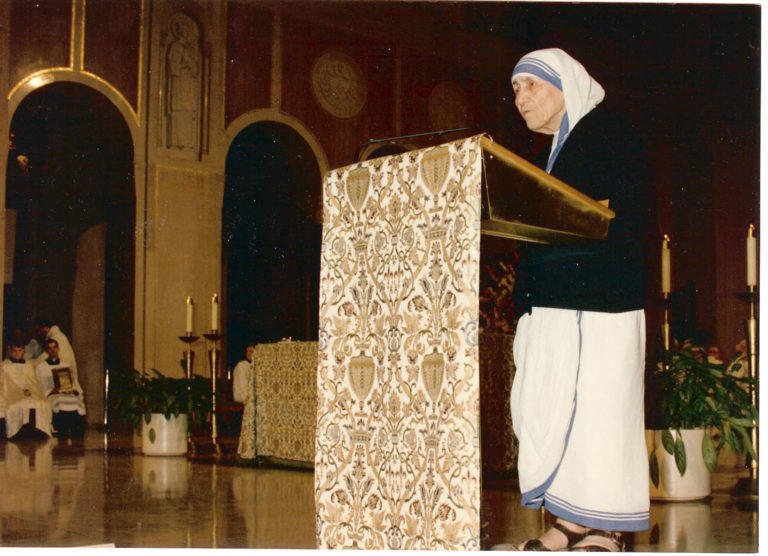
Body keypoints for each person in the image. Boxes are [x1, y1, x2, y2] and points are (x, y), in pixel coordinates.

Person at [507, 48, 650, 551]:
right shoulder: (550, 152)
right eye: (516, 89)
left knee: (600, 410)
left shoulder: (607, 130)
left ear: (566, 84)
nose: (520, 98)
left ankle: (608, 526)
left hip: (602, 299)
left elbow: (617, 210)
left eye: (531, 85)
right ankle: (570, 522)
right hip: (555, 301)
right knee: (554, 406)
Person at [1, 339, 52, 440]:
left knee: (41, 403)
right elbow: (7, 383)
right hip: (13, 393)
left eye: (19, 351)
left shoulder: (29, 365)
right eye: (14, 351)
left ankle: (38, 432)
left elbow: (33, 381)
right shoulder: (5, 366)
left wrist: (30, 390)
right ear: (10, 351)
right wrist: (21, 391)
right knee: (20, 404)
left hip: (30, 392)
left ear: (23, 351)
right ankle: (19, 433)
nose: (17, 354)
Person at [35, 338, 86, 438]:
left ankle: (76, 432)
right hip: (52, 394)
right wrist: (52, 391)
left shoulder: (66, 365)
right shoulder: (41, 367)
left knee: (77, 402)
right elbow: (39, 386)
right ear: (46, 351)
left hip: (67, 392)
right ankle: (61, 429)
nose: (53, 351)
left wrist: (74, 390)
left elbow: (74, 382)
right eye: (49, 348)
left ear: (58, 349)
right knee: (58, 402)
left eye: (55, 347)